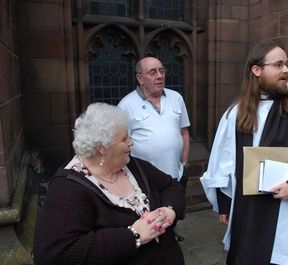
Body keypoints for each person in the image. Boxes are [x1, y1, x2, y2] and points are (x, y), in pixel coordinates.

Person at [200, 41, 288, 265]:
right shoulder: (235, 113)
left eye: (286, 64)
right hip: (245, 210)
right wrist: (224, 204)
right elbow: (222, 162)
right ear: (257, 70)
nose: (287, 70)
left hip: (285, 212)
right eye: (278, 64)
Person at [33, 103, 185, 265]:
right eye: (124, 138)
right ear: (102, 148)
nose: (131, 142)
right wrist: (133, 235)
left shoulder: (131, 165)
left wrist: (170, 210)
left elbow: (170, 186)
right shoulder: (67, 188)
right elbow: (56, 254)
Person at [118, 56, 190, 188]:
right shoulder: (126, 105)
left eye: (162, 71)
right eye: (153, 72)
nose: (159, 76)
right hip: (146, 181)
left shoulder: (176, 98)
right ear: (140, 79)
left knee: (176, 208)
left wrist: (184, 164)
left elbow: (184, 132)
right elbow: (120, 144)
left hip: (177, 176)